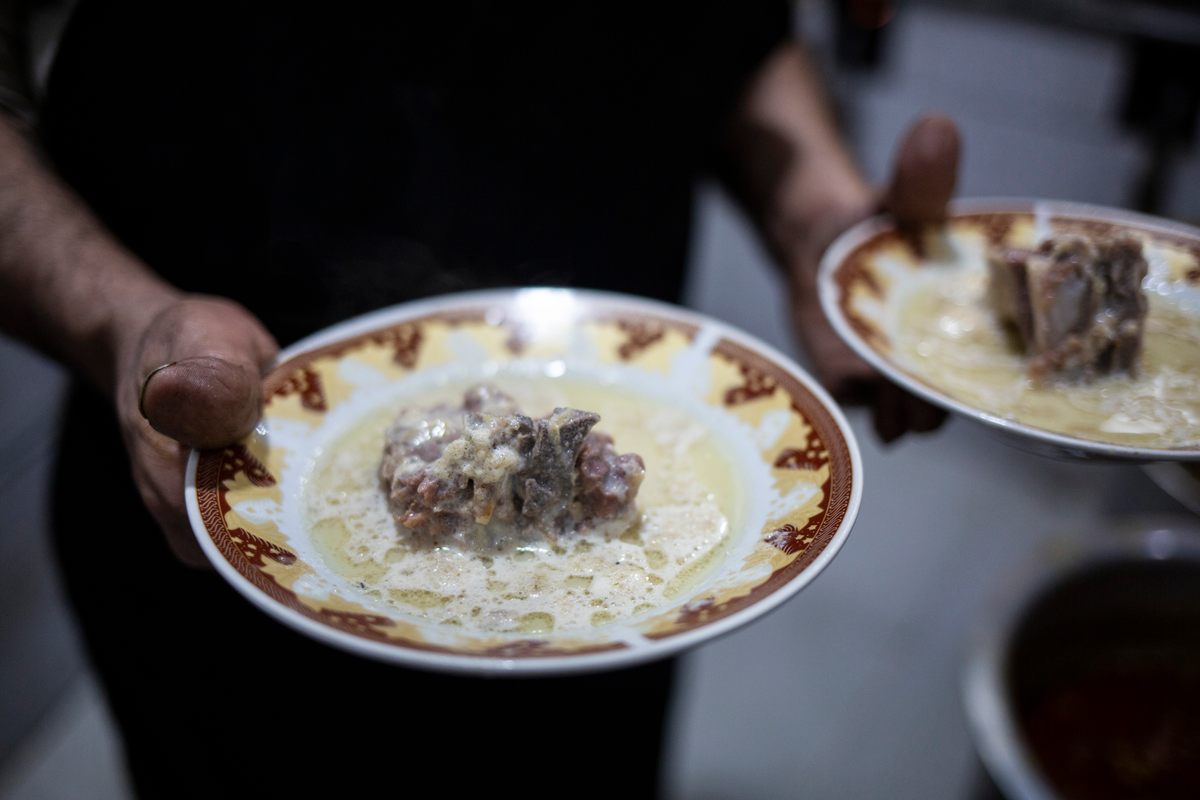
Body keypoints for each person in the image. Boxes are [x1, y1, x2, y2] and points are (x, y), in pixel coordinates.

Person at [0, 2, 958, 797]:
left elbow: (732, 30)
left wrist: (823, 220)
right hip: (231, 489)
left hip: (610, 625)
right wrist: (119, 317)